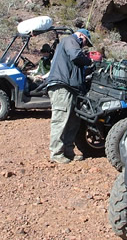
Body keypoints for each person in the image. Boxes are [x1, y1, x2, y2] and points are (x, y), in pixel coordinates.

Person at [45, 29, 93, 164]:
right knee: (61, 119)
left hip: (71, 88)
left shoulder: (71, 43)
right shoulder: (70, 40)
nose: (84, 45)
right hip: (62, 87)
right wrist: (89, 61)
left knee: (73, 121)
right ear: (81, 36)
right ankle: (56, 153)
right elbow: (75, 55)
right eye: (85, 42)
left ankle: (68, 151)